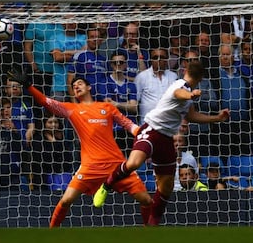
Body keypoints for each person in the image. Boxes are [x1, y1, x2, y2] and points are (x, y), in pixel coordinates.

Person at [6, 70, 153, 227]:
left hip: (116, 165)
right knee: (66, 200)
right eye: (73, 86)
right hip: (90, 167)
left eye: (80, 84)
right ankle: (50, 232)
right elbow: (45, 101)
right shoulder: (72, 109)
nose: (76, 86)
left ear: (89, 87)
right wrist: (29, 86)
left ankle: (149, 230)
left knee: (146, 200)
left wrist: (149, 137)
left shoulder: (107, 107)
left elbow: (129, 126)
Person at [93, 59, 230, 226]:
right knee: (134, 163)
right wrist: (190, 94)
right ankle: (106, 185)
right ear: (200, 77)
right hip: (151, 130)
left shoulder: (188, 95)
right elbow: (178, 94)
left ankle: (152, 225)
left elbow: (192, 116)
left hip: (166, 139)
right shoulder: (180, 85)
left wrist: (217, 118)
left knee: (166, 187)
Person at [134, 46, 177, 124]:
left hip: (168, 124)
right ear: (151, 60)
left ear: (166, 60)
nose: (159, 60)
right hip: (147, 124)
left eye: (162, 57)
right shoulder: (142, 77)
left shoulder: (173, 76)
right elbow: (135, 101)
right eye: (155, 57)